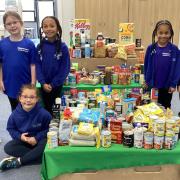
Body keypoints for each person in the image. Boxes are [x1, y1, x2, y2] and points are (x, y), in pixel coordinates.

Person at [0, 84, 52, 171]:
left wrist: (36, 138)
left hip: (39, 141)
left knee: (47, 143)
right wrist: (20, 137)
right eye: (25, 97)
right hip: (24, 141)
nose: (28, 100)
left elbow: (50, 129)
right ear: (20, 98)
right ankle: (39, 157)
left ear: (37, 99)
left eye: (32, 97)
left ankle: (20, 161)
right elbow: (11, 128)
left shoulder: (44, 114)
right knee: (8, 147)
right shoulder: (14, 115)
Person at [0, 11, 36, 111]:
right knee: (14, 108)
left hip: (26, 83)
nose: (12, 26)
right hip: (10, 83)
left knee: (27, 108)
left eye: (15, 22)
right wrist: (0, 80)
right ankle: (17, 125)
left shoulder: (29, 44)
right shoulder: (2, 44)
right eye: (9, 24)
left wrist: (33, 82)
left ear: (21, 23)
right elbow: (1, 64)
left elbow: (33, 64)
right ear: (5, 26)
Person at [36, 16, 70, 114]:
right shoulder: (40, 47)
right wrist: (43, 82)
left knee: (56, 110)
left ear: (58, 28)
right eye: (45, 26)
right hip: (44, 85)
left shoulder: (63, 47)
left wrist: (53, 84)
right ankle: (48, 128)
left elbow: (65, 68)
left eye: (52, 26)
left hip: (56, 85)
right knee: (46, 109)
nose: (49, 29)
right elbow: (37, 65)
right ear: (42, 29)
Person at [144, 20, 180, 109]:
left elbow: (177, 69)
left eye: (166, 33)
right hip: (152, 85)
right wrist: (146, 79)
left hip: (166, 86)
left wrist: (173, 84)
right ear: (156, 33)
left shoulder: (174, 50)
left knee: (165, 107)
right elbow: (146, 65)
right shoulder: (151, 48)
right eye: (160, 33)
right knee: (151, 106)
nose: (163, 35)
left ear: (171, 34)